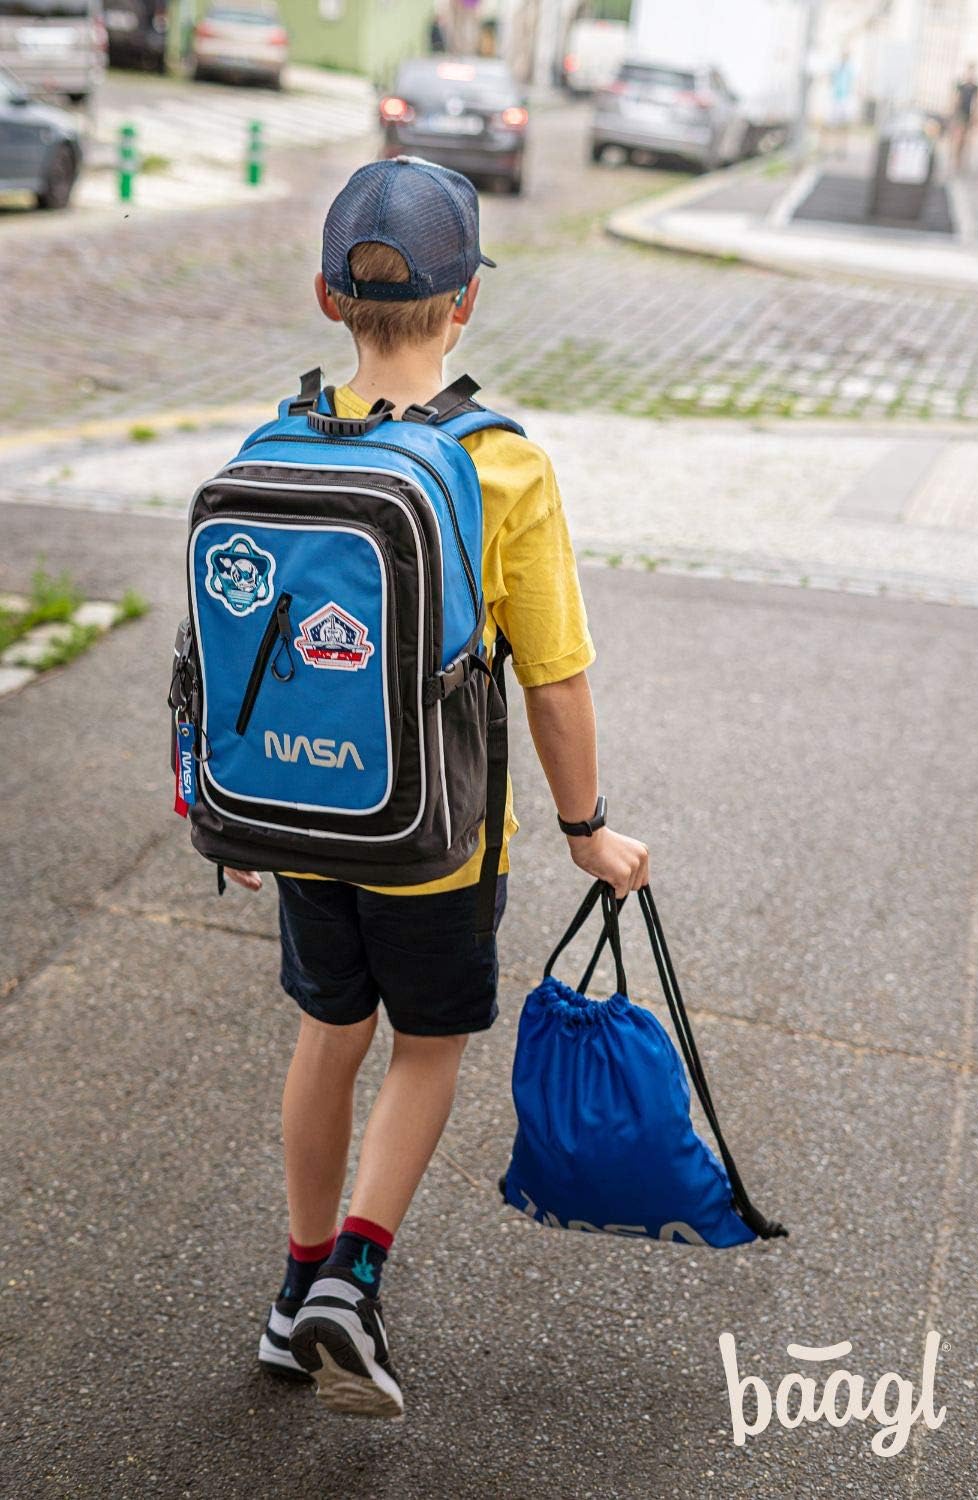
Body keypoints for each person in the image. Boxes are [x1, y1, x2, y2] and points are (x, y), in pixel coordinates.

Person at [233, 158, 650, 1420]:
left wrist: (234, 791)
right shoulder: (502, 467)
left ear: (326, 298)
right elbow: (555, 680)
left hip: (304, 813)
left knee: (327, 1032)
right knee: (425, 1045)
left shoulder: (274, 445)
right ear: (464, 302)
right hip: (439, 839)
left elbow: (227, 635)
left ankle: (292, 1288)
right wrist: (585, 830)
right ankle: (350, 1284)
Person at [951, 62, 978, 174]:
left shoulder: (976, 88)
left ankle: (962, 161)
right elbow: (955, 100)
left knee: (966, 141)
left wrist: (976, 117)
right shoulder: (960, 86)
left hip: (969, 115)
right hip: (960, 114)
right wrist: (954, 114)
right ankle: (955, 161)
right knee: (958, 138)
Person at [827, 51, 856, 159]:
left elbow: (853, 83)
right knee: (833, 126)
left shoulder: (850, 69)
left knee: (844, 126)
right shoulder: (836, 68)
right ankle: (831, 149)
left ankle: (842, 149)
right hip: (835, 98)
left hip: (845, 99)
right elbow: (831, 79)